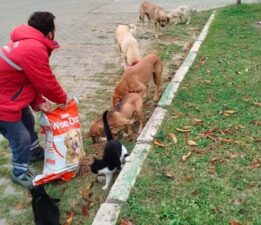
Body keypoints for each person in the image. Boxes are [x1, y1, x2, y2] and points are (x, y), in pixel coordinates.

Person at [0, 12, 68, 188]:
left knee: (28, 121)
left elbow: (30, 78)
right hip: (4, 102)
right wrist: (62, 99)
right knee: (20, 137)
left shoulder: (27, 43)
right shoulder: (34, 48)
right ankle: (19, 171)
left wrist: (37, 101)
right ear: (50, 32)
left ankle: (34, 152)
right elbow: (46, 81)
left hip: (10, 95)